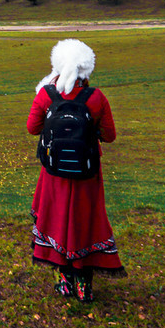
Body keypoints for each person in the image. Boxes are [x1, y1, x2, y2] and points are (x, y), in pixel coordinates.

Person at [27, 38, 125, 302]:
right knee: (85, 222)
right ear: (87, 68)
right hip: (87, 174)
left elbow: (32, 128)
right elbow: (110, 135)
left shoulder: (47, 95)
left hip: (53, 173)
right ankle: (84, 286)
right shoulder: (96, 97)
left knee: (56, 219)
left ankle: (64, 282)